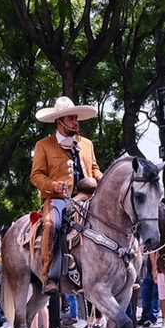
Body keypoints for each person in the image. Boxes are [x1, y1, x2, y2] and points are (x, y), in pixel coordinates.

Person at [31, 96, 103, 295]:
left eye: (75, 118)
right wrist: (53, 186)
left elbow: (94, 168)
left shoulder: (86, 143)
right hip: (59, 199)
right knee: (52, 224)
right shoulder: (44, 145)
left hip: (88, 196)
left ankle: (117, 270)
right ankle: (49, 275)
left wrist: (102, 178)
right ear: (59, 122)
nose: (75, 122)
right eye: (70, 119)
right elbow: (36, 175)